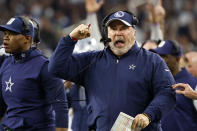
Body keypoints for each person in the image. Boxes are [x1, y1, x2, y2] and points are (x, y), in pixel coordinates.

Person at [48, 11, 176, 131]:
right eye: (113, 28)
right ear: (108, 33)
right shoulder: (92, 60)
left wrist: (148, 115)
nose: (118, 33)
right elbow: (56, 68)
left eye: (123, 28)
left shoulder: (152, 61)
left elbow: (167, 93)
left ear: (134, 33)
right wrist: (70, 39)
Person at [0, 16, 68, 131]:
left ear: (27, 38)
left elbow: (60, 107)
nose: (5, 38)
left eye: (11, 34)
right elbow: (1, 105)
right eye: (5, 33)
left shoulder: (44, 66)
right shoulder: (6, 63)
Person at [151, 40, 197, 131]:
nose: (159, 59)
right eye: (158, 56)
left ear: (177, 59)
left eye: (164, 56)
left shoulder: (193, 84)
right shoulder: (154, 80)